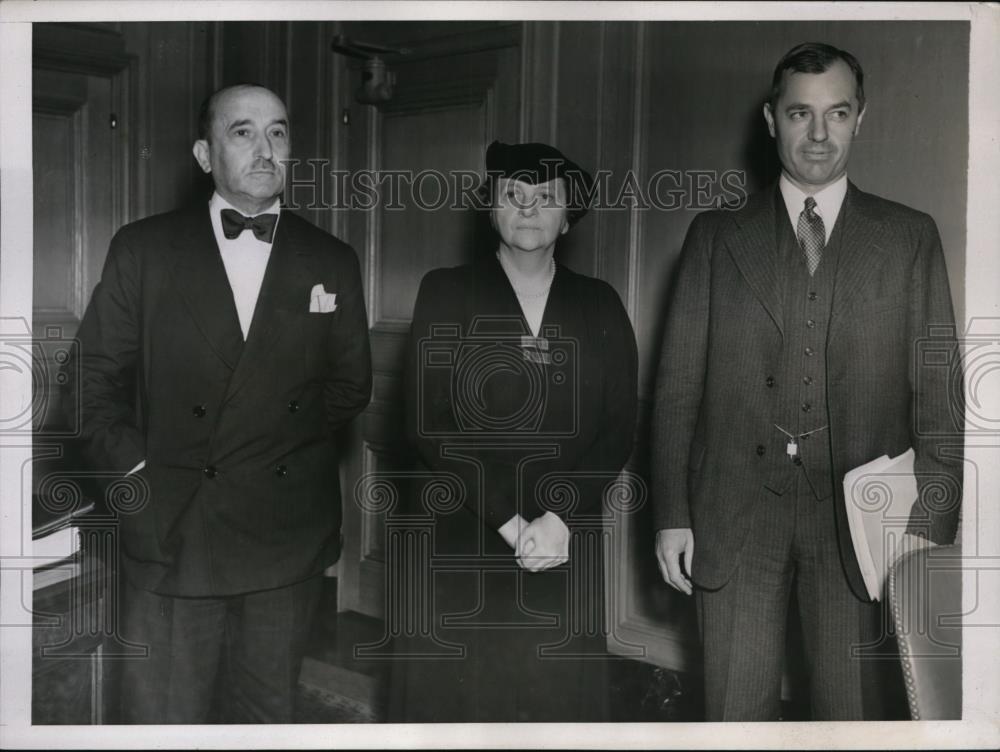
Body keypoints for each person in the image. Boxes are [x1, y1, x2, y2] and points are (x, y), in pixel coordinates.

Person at [651, 43, 963, 721]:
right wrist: (672, 512)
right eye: (800, 113)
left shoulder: (910, 239)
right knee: (733, 717)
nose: (819, 134)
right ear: (771, 120)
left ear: (861, 119)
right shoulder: (714, 237)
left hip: (861, 526)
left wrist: (927, 528)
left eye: (837, 113)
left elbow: (939, 398)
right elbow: (677, 388)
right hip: (734, 517)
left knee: (850, 723)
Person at [66, 83, 372, 723]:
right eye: (244, 132)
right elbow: (87, 386)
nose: (266, 149)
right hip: (173, 528)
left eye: (279, 132)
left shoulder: (332, 259)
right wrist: (139, 480)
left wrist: (265, 445)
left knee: (268, 718)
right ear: (205, 155)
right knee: (163, 723)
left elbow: (350, 386)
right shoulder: (144, 249)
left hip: (284, 535)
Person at [388, 141, 638, 722]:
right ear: (490, 208)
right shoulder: (446, 291)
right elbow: (430, 423)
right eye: (514, 195)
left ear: (568, 217)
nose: (529, 208)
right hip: (463, 533)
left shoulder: (599, 302)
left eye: (546, 197)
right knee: (461, 705)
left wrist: (557, 518)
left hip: (563, 539)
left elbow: (618, 428)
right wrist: (509, 518)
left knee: (554, 705)